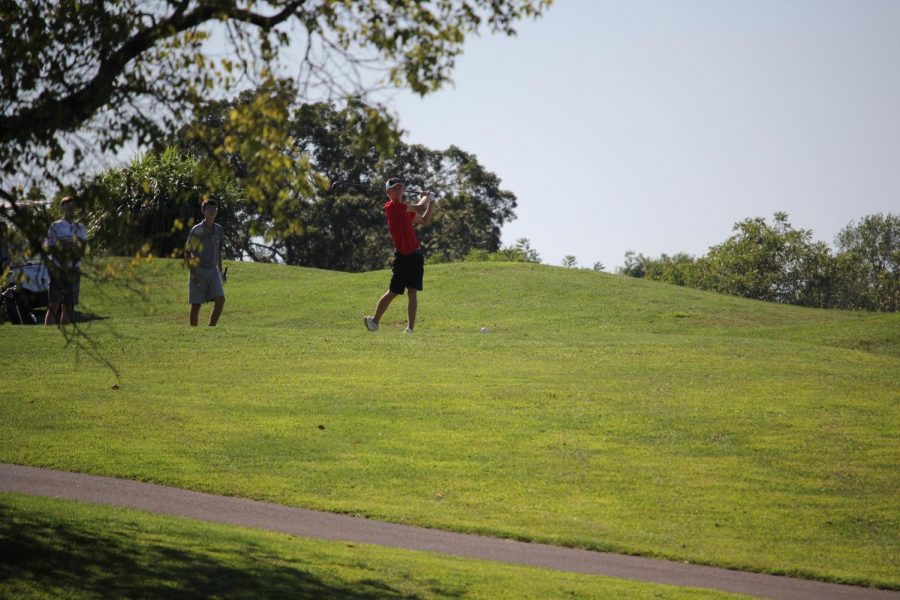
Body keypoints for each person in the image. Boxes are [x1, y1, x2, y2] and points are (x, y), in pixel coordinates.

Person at [364, 177, 435, 333]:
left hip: (415, 255)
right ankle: (374, 322)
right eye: (395, 188)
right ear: (388, 192)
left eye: (400, 188)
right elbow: (419, 206)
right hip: (402, 257)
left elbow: (424, 220)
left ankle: (410, 328)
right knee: (393, 292)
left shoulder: (405, 209)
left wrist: (432, 202)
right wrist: (426, 197)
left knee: (412, 291)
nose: (398, 190)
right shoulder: (392, 207)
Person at [44, 195, 88, 326]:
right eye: (68, 206)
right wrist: (65, 246)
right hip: (58, 268)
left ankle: (65, 331)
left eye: (73, 206)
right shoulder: (55, 226)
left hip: (73, 269)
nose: (71, 208)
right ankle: (46, 334)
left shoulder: (80, 227)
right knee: (54, 304)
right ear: (63, 207)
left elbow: (83, 249)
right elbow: (49, 247)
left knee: (68, 305)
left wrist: (74, 248)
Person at [184, 199, 226, 327]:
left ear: (217, 211)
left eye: (214, 208)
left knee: (220, 299)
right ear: (203, 211)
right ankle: (194, 333)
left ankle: (211, 328)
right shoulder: (197, 230)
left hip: (213, 271)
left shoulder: (219, 229)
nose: (212, 211)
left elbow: (218, 252)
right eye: (209, 208)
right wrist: (193, 272)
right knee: (196, 305)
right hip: (198, 270)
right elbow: (187, 252)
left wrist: (220, 271)